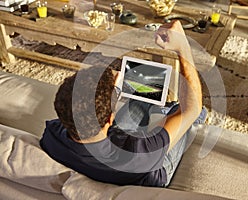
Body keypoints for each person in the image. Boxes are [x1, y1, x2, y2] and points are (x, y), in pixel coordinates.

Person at [40, 20, 206, 187]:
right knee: (195, 112)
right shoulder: (141, 152)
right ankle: (169, 111)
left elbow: (84, 110)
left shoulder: (51, 135)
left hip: (113, 151)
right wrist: (182, 47)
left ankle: (161, 109)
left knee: (142, 94)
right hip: (151, 171)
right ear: (110, 120)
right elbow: (192, 107)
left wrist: (111, 93)